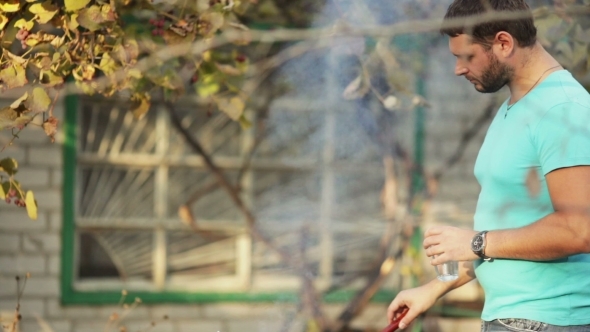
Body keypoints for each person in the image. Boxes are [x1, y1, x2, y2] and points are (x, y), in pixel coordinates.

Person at [387, 0, 590, 331]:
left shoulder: (562, 110)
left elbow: (579, 230)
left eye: (466, 56)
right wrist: (433, 288)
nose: (458, 69)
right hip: (511, 318)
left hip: (548, 321)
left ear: (504, 43)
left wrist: (473, 241)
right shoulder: (515, 106)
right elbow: (511, 231)